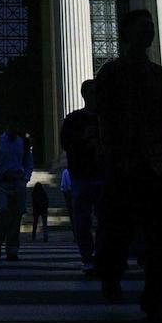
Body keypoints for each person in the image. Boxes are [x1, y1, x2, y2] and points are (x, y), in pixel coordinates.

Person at [93, 9, 162, 323]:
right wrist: (111, 157)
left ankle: (159, 302)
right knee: (115, 232)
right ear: (126, 34)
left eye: (151, 26)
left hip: (156, 166)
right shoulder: (111, 73)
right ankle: (110, 274)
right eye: (143, 26)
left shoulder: (160, 76)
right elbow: (102, 119)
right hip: (122, 164)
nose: (150, 31)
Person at [59, 79, 105, 274]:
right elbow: (65, 144)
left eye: (97, 92)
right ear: (84, 95)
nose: (96, 96)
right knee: (82, 220)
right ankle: (87, 257)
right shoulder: (74, 119)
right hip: (82, 175)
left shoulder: (108, 118)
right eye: (92, 92)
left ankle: (103, 255)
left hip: (104, 174)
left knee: (106, 219)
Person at [0, 124, 34, 261]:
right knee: (1, 212)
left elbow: (29, 163)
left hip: (18, 183)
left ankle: (12, 249)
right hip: (1, 183)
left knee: (16, 217)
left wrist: (25, 178)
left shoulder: (23, 144)